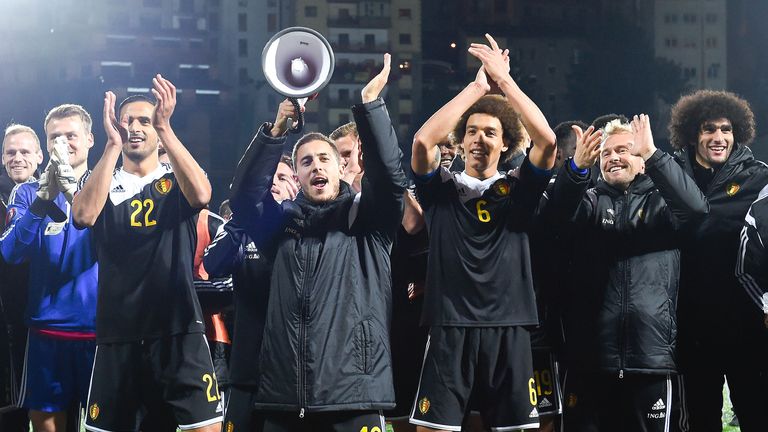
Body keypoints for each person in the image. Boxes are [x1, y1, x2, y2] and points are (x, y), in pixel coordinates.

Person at [228, 54, 406, 431]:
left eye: (324, 158)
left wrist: (371, 106)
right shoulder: (280, 224)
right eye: (306, 162)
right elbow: (243, 199)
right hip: (284, 399)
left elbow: (390, 179)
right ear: (298, 174)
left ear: (342, 168)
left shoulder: (368, 220)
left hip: (354, 396)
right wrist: (277, 132)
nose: (316, 167)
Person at [408, 34, 556, 432]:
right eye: (471, 131)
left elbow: (547, 140)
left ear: (505, 142)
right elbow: (423, 141)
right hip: (449, 326)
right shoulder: (439, 191)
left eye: (490, 132)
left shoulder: (519, 192)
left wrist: (504, 82)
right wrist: (476, 88)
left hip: (510, 327)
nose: (478, 139)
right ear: (460, 139)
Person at [73, 75, 221, 432]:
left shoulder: (177, 177)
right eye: (127, 121)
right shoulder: (101, 181)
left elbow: (202, 196)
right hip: (118, 332)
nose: (135, 128)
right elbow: (82, 216)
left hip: (178, 329)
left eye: (145, 121)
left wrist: (166, 128)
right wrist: (110, 146)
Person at [546, 116, 707, 431]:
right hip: (593, 362)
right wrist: (577, 169)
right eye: (606, 153)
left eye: (624, 150)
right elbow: (556, 216)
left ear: (643, 160)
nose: (613, 157)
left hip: (651, 361)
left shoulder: (664, 204)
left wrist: (653, 154)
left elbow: (697, 209)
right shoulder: (590, 200)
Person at [669, 89, 768, 432]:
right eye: (708, 129)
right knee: (700, 420)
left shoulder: (758, 178)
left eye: (726, 129)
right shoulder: (670, 177)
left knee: (757, 414)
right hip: (692, 327)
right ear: (692, 134)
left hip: (747, 326)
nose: (718, 137)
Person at [0, 105, 99, 432]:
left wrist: (74, 194)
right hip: (46, 334)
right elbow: (11, 252)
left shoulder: (108, 185)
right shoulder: (27, 193)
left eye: (71, 135)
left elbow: (119, 246)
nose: (63, 142)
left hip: (99, 333)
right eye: (55, 136)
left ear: (89, 140)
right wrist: (44, 201)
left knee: (105, 425)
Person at [204, 153, 298, 432]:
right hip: (247, 371)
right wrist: (244, 215)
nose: (273, 184)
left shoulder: (306, 224)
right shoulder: (240, 227)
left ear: (296, 183)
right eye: (268, 179)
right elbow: (214, 264)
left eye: (281, 177)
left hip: (291, 376)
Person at [0, 124, 44, 431]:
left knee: (49, 404)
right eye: (11, 152)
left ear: (39, 156)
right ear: (2, 157)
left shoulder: (59, 194)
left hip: (45, 314)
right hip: (6, 315)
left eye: (25, 151)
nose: (18, 158)